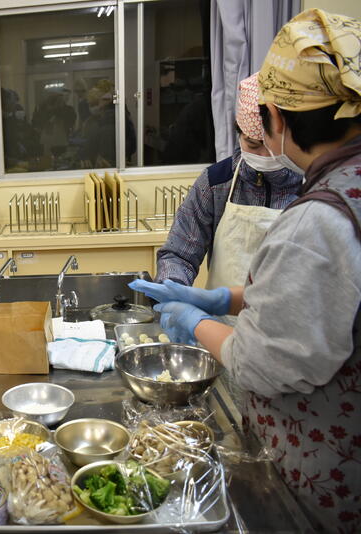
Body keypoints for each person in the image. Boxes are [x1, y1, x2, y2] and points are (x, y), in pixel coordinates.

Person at [130, 9, 361, 532]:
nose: (258, 153)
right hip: (238, 363)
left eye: (262, 141)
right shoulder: (219, 182)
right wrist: (197, 293)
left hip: (322, 463)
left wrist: (194, 321)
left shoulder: (317, 215)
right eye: (246, 142)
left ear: (277, 119)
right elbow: (181, 249)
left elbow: (263, 360)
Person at [155, 73, 302, 287]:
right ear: (238, 134)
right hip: (222, 309)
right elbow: (179, 253)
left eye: (272, 147)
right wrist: (172, 286)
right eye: (253, 145)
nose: (264, 156)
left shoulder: (313, 185)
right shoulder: (216, 182)